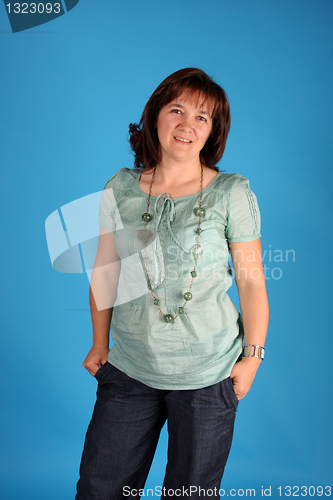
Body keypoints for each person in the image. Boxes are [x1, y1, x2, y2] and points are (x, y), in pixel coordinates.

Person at [75, 68, 269, 499]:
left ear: (213, 131)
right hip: (129, 368)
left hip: (209, 373)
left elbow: (252, 283)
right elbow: (105, 272)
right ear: (155, 117)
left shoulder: (231, 193)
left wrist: (252, 359)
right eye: (176, 110)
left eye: (202, 117)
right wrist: (98, 342)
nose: (187, 125)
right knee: (100, 489)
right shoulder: (120, 188)